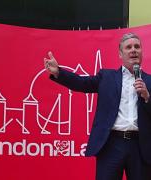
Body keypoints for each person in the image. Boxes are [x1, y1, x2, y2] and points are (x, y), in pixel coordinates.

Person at [44, 33, 151, 180]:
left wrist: (147, 97)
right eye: (128, 47)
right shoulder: (107, 77)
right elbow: (82, 83)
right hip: (112, 144)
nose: (133, 50)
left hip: (140, 146)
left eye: (137, 47)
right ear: (120, 53)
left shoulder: (149, 81)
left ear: (142, 52)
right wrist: (58, 72)